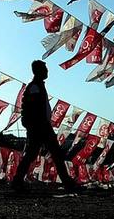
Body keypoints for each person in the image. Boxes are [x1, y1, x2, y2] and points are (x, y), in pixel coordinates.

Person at [11, 61, 79, 193]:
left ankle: (17, 181)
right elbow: (33, 108)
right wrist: (38, 124)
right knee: (53, 154)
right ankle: (67, 182)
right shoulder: (35, 87)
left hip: (40, 125)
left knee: (36, 154)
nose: (47, 71)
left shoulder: (37, 86)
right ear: (38, 71)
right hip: (40, 126)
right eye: (44, 69)